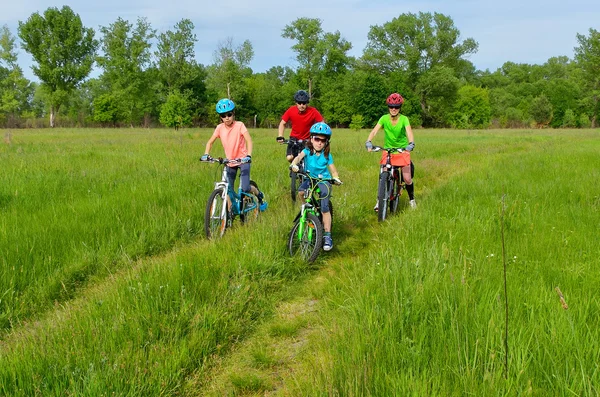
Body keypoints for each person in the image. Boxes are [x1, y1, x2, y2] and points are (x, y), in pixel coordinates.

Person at [201, 98, 267, 211]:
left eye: (229, 114)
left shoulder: (239, 125)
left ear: (233, 114)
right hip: (229, 162)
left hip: (243, 161)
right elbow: (210, 142)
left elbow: (249, 140)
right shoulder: (219, 128)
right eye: (223, 115)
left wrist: (249, 156)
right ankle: (230, 212)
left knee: (245, 188)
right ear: (220, 117)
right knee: (227, 188)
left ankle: (259, 195)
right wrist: (206, 154)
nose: (227, 118)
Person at [290, 122, 342, 251]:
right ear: (311, 139)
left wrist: (336, 178)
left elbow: (333, 171)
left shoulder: (326, 155)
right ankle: (306, 207)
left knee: (324, 206)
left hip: (323, 180)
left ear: (326, 142)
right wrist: (294, 165)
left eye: (323, 140)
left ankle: (327, 235)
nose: (319, 143)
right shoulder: (307, 151)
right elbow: (297, 158)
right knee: (301, 193)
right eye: (316, 139)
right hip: (309, 178)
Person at [365, 93, 416, 209]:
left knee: (407, 179)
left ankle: (412, 200)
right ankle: (379, 200)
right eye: (391, 106)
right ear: (388, 107)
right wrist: (369, 141)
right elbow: (374, 131)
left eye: (396, 107)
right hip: (388, 151)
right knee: (383, 174)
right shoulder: (384, 118)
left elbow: (409, 133)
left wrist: (410, 144)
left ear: (400, 107)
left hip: (402, 151)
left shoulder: (404, 119)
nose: (393, 109)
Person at [276, 90, 324, 162]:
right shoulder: (291, 110)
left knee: (309, 159)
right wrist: (280, 135)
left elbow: (322, 124)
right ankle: (294, 167)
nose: (302, 105)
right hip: (294, 139)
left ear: (307, 103)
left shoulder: (313, 111)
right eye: (299, 103)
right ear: (296, 103)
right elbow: (282, 123)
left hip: (308, 139)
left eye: (304, 103)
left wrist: (320, 137)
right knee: (289, 157)